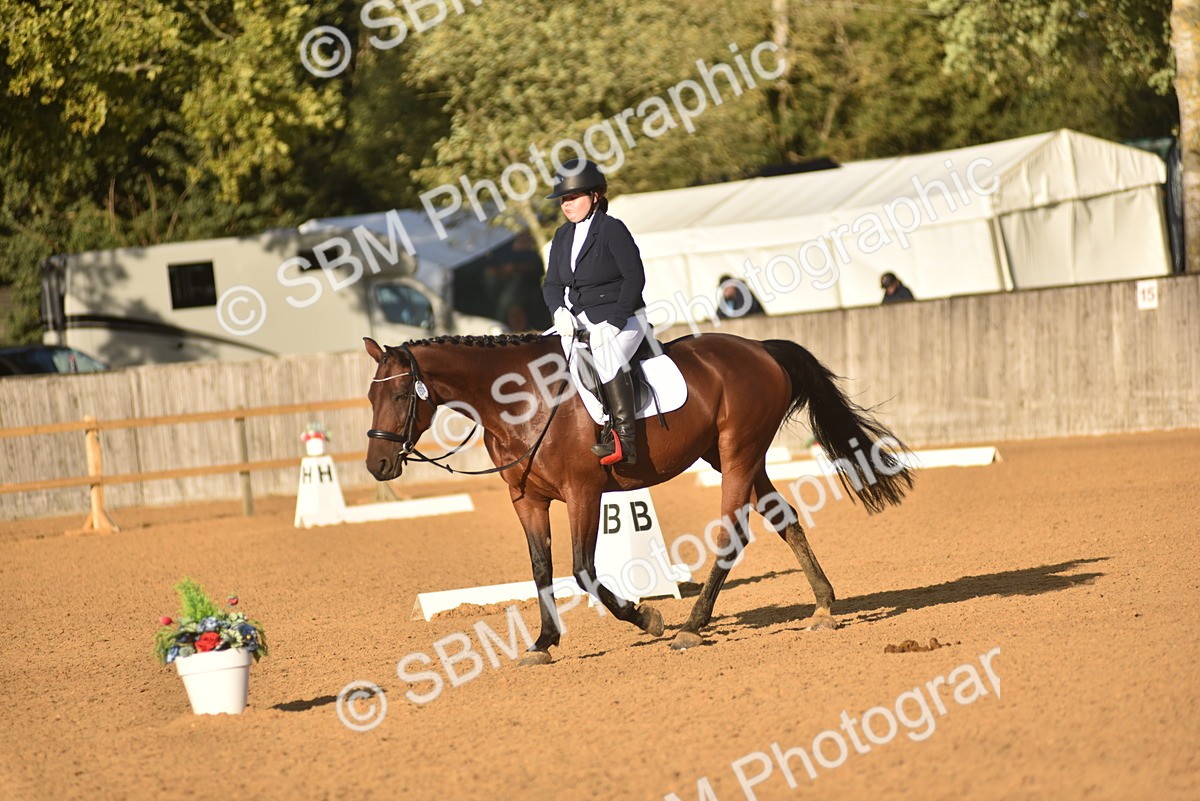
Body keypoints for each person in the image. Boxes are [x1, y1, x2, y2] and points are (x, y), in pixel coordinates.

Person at [542, 158, 647, 466]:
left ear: (595, 196)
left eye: (573, 197)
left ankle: (625, 441)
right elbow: (551, 283)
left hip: (624, 317)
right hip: (579, 318)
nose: (567, 204)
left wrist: (615, 322)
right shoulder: (562, 236)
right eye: (564, 198)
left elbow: (634, 278)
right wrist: (558, 310)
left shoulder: (612, 229)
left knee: (607, 355)